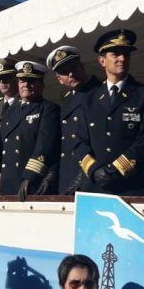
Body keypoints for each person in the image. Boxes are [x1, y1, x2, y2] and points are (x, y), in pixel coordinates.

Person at [74, 29, 144, 196]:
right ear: (102, 61)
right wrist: (94, 170)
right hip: (95, 186)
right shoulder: (89, 98)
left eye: (126, 54)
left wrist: (116, 169)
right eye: (115, 54)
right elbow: (80, 141)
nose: (122, 59)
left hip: (131, 184)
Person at [0, 61, 61, 201]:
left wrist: (29, 178)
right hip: (6, 184)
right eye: (22, 81)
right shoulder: (10, 111)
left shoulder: (48, 109)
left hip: (31, 183)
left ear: (41, 85)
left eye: (31, 81)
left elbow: (43, 147)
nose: (25, 85)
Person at [45, 45, 101, 195]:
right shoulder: (67, 101)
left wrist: (83, 175)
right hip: (67, 175)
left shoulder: (101, 93)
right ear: (59, 80)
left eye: (74, 67)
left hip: (92, 175)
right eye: (64, 72)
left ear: (82, 67)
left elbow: (103, 141)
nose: (71, 74)